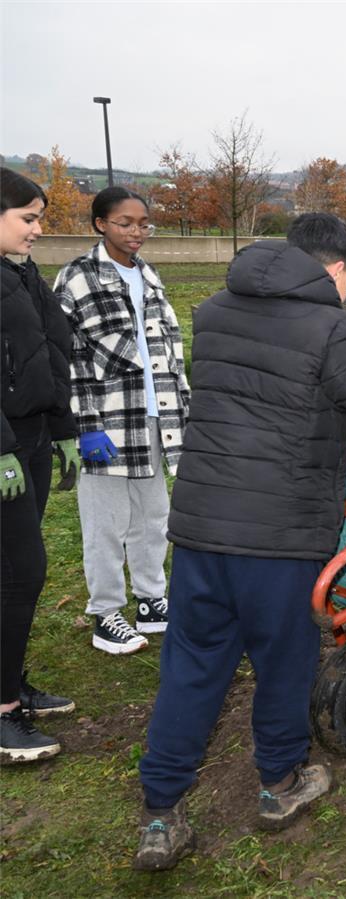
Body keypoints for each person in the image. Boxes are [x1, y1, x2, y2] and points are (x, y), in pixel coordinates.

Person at [133, 213, 346, 871]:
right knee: (283, 661)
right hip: (279, 537)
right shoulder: (331, 328)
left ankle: (161, 812)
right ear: (334, 268)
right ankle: (279, 785)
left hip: (201, 529)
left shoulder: (215, 311)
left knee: (192, 666)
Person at [54, 188, 190, 655]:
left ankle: (152, 600)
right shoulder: (76, 277)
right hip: (106, 423)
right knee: (106, 523)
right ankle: (105, 612)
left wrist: (183, 412)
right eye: (124, 223)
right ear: (99, 224)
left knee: (154, 518)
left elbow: (171, 355)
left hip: (156, 421)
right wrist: (83, 425)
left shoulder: (150, 277)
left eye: (143, 223)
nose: (136, 232)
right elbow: (66, 358)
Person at [1, 168, 79, 763]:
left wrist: (64, 430)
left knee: (21, 575)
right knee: (19, 572)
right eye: (28, 218)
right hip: (4, 446)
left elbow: (50, 350)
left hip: (31, 436)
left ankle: (12, 683)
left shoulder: (21, 274)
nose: (38, 229)